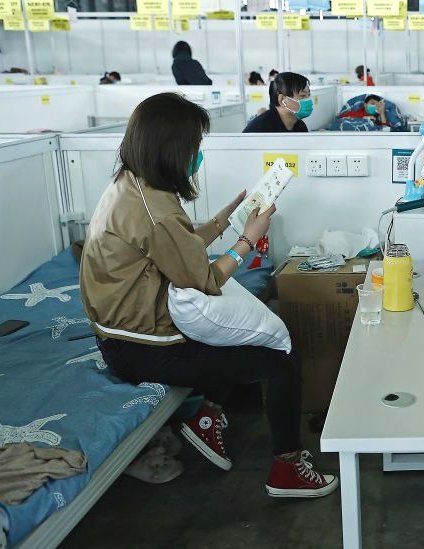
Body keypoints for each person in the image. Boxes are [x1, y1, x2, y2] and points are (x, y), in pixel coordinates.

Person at [79, 92, 337, 499]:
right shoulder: (156, 211)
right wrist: (247, 241)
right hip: (142, 346)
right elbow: (206, 280)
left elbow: (174, 246)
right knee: (281, 359)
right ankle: (287, 467)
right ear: (172, 148)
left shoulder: (132, 185)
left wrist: (224, 220)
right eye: (194, 146)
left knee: (243, 331)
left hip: (118, 332)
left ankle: (207, 416)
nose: (197, 156)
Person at [243, 72, 312, 133]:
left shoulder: (300, 127)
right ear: (282, 100)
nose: (308, 100)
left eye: (308, 95)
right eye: (302, 95)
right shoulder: (260, 129)